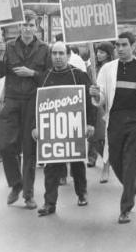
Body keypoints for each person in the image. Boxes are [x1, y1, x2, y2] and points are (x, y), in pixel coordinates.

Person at [90, 32, 136, 224]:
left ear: (133, 46)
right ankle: (130, 187)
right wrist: (96, 95)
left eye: (124, 45)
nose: (120, 48)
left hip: (135, 120)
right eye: (117, 45)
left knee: (130, 164)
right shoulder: (107, 69)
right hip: (115, 119)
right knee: (116, 160)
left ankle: (126, 207)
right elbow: (101, 96)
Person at [32, 41, 96, 216]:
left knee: (77, 164)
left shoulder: (79, 75)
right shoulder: (44, 77)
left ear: (68, 56)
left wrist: (90, 123)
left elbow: (90, 103)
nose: (58, 57)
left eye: (61, 53)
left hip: (74, 129)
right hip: (52, 132)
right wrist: (35, 127)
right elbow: (36, 104)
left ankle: (82, 193)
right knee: (50, 168)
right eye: (54, 54)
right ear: (50, 56)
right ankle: (49, 203)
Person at [0, 10, 51, 209]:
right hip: (11, 100)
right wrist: (0, 56)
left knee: (29, 149)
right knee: (5, 145)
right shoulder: (8, 46)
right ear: (19, 27)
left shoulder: (45, 48)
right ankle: (16, 184)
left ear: (37, 27)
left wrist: (32, 72)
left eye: (31, 25)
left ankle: (28, 195)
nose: (27, 28)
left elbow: (49, 77)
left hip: (33, 101)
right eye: (24, 25)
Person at [87, 42, 114, 181]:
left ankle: (106, 164)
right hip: (93, 104)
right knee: (93, 136)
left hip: (107, 105)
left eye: (102, 52)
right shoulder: (91, 67)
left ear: (109, 54)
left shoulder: (112, 68)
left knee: (104, 136)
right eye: (97, 52)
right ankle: (98, 157)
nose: (98, 54)